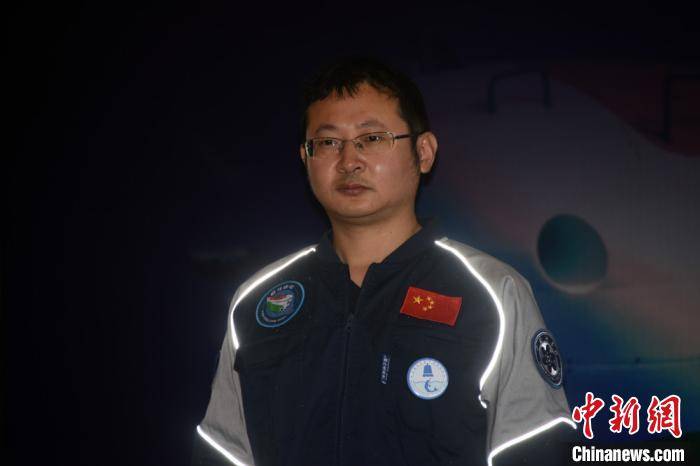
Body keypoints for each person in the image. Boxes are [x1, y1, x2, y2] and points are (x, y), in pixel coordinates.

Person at [192, 58, 575, 466]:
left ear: (423, 152)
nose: (348, 161)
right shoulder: (259, 302)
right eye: (327, 142)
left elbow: (537, 452)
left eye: (372, 138)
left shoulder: (492, 294)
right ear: (305, 158)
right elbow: (225, 453)